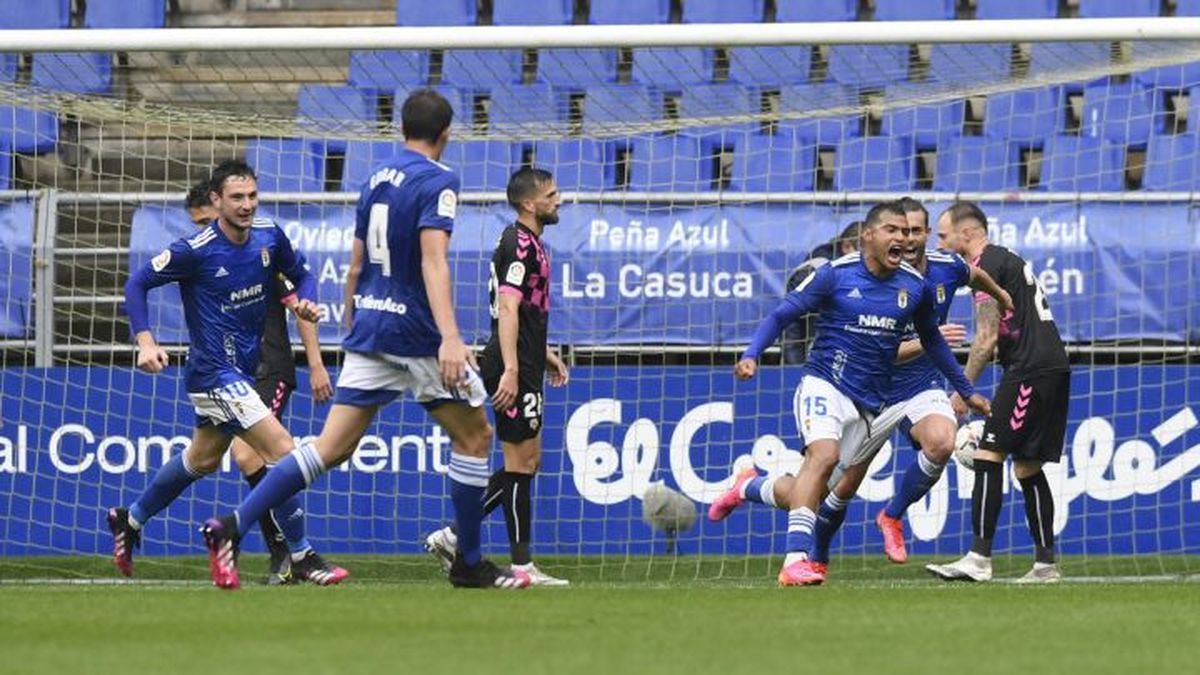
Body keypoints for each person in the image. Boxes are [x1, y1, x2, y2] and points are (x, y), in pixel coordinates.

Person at [198, 89, 530, 590]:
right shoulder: (439, 180)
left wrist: (353, 318)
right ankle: (468, 562)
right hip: (415, 333)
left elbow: (356, 262)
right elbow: (432, 260)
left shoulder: (375, 177)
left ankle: (232, 525)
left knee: (330, 447)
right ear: (446, 134)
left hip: (370, 329)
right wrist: (450, 337)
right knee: (477, 437)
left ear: (401, 129)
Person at [710, 198, 1012, 576]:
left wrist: (966, 390)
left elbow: (934, 338)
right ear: (867, 236)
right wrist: (752, 353)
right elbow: (782, 313)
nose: (904, 239)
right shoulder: (835, 275)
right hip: (826, 383)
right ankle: (796, 562)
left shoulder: (916, 284)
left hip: (872, 400)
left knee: (812, 492)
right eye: (895, 231)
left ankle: (749, 486)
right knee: (822, 458)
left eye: (909, 231)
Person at [108, 161, 347, 587]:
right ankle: (302, 554)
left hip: (244, 369)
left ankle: (131, 518)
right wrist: (145, 340)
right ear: (216, 201)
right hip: (212, 373)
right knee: (283, 451)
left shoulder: (270, 236)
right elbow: (136, 285)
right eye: (237, 198)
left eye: (252, 196)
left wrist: (308, 301)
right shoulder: (194, 250)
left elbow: (303, 275)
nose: (247, 205)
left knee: (200, 460)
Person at [424, 168, 571, 586]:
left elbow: (520, 310)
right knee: (520, 462)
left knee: (527, 461)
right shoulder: (520, 243)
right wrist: (511, 368)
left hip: (524, 358)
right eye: (552, 194)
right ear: (530, 203)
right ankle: (522, 566)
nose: (559, 200)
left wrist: (541, 354)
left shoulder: (528, 243)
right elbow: (506, 309)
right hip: (512, 363)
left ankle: (453, 535)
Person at [187, 180, 335, 585]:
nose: (202, 229)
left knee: (251, 457)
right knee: (214, 458)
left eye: (205, 220)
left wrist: (317, 364)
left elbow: (299, 305)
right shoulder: (206, 256)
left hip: (269, 367)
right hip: (230, 375)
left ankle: (287, 553)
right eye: (196, 223)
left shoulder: (258, 252)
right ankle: (288, 555)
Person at [925, 201, 1071, 584]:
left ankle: (978, 558)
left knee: (989, 454)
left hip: (1029, 369)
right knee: (1026, 466)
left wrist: (962, 391)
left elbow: (986, 338)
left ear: (967, 234)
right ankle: (1045, 565)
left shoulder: (986, 266)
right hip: (1050, 366)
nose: (938, 244)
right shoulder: (1007, 260)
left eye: (943, 235)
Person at [782, 221, 862, 365]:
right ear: (847, 246)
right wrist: (795, 367)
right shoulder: (816, 270)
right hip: (817, 361)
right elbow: (790, 325)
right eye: (865, 252)